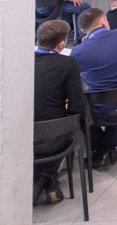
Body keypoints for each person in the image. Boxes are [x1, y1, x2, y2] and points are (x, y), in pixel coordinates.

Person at [70, 7, 117, 168]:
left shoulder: (79, 52)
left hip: (106, 110)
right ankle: (108, 146)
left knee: (78, 102)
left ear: (83, 31)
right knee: (114, 88)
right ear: (103, 21)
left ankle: (101, 149)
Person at [33, 19, 89, 204]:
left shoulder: (23, 63)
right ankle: (47, 177)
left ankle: (45, 179)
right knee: (69, 128)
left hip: (24, 135)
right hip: (54, 135)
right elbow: (77, 105)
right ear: (61, 44)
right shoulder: (68, 63)